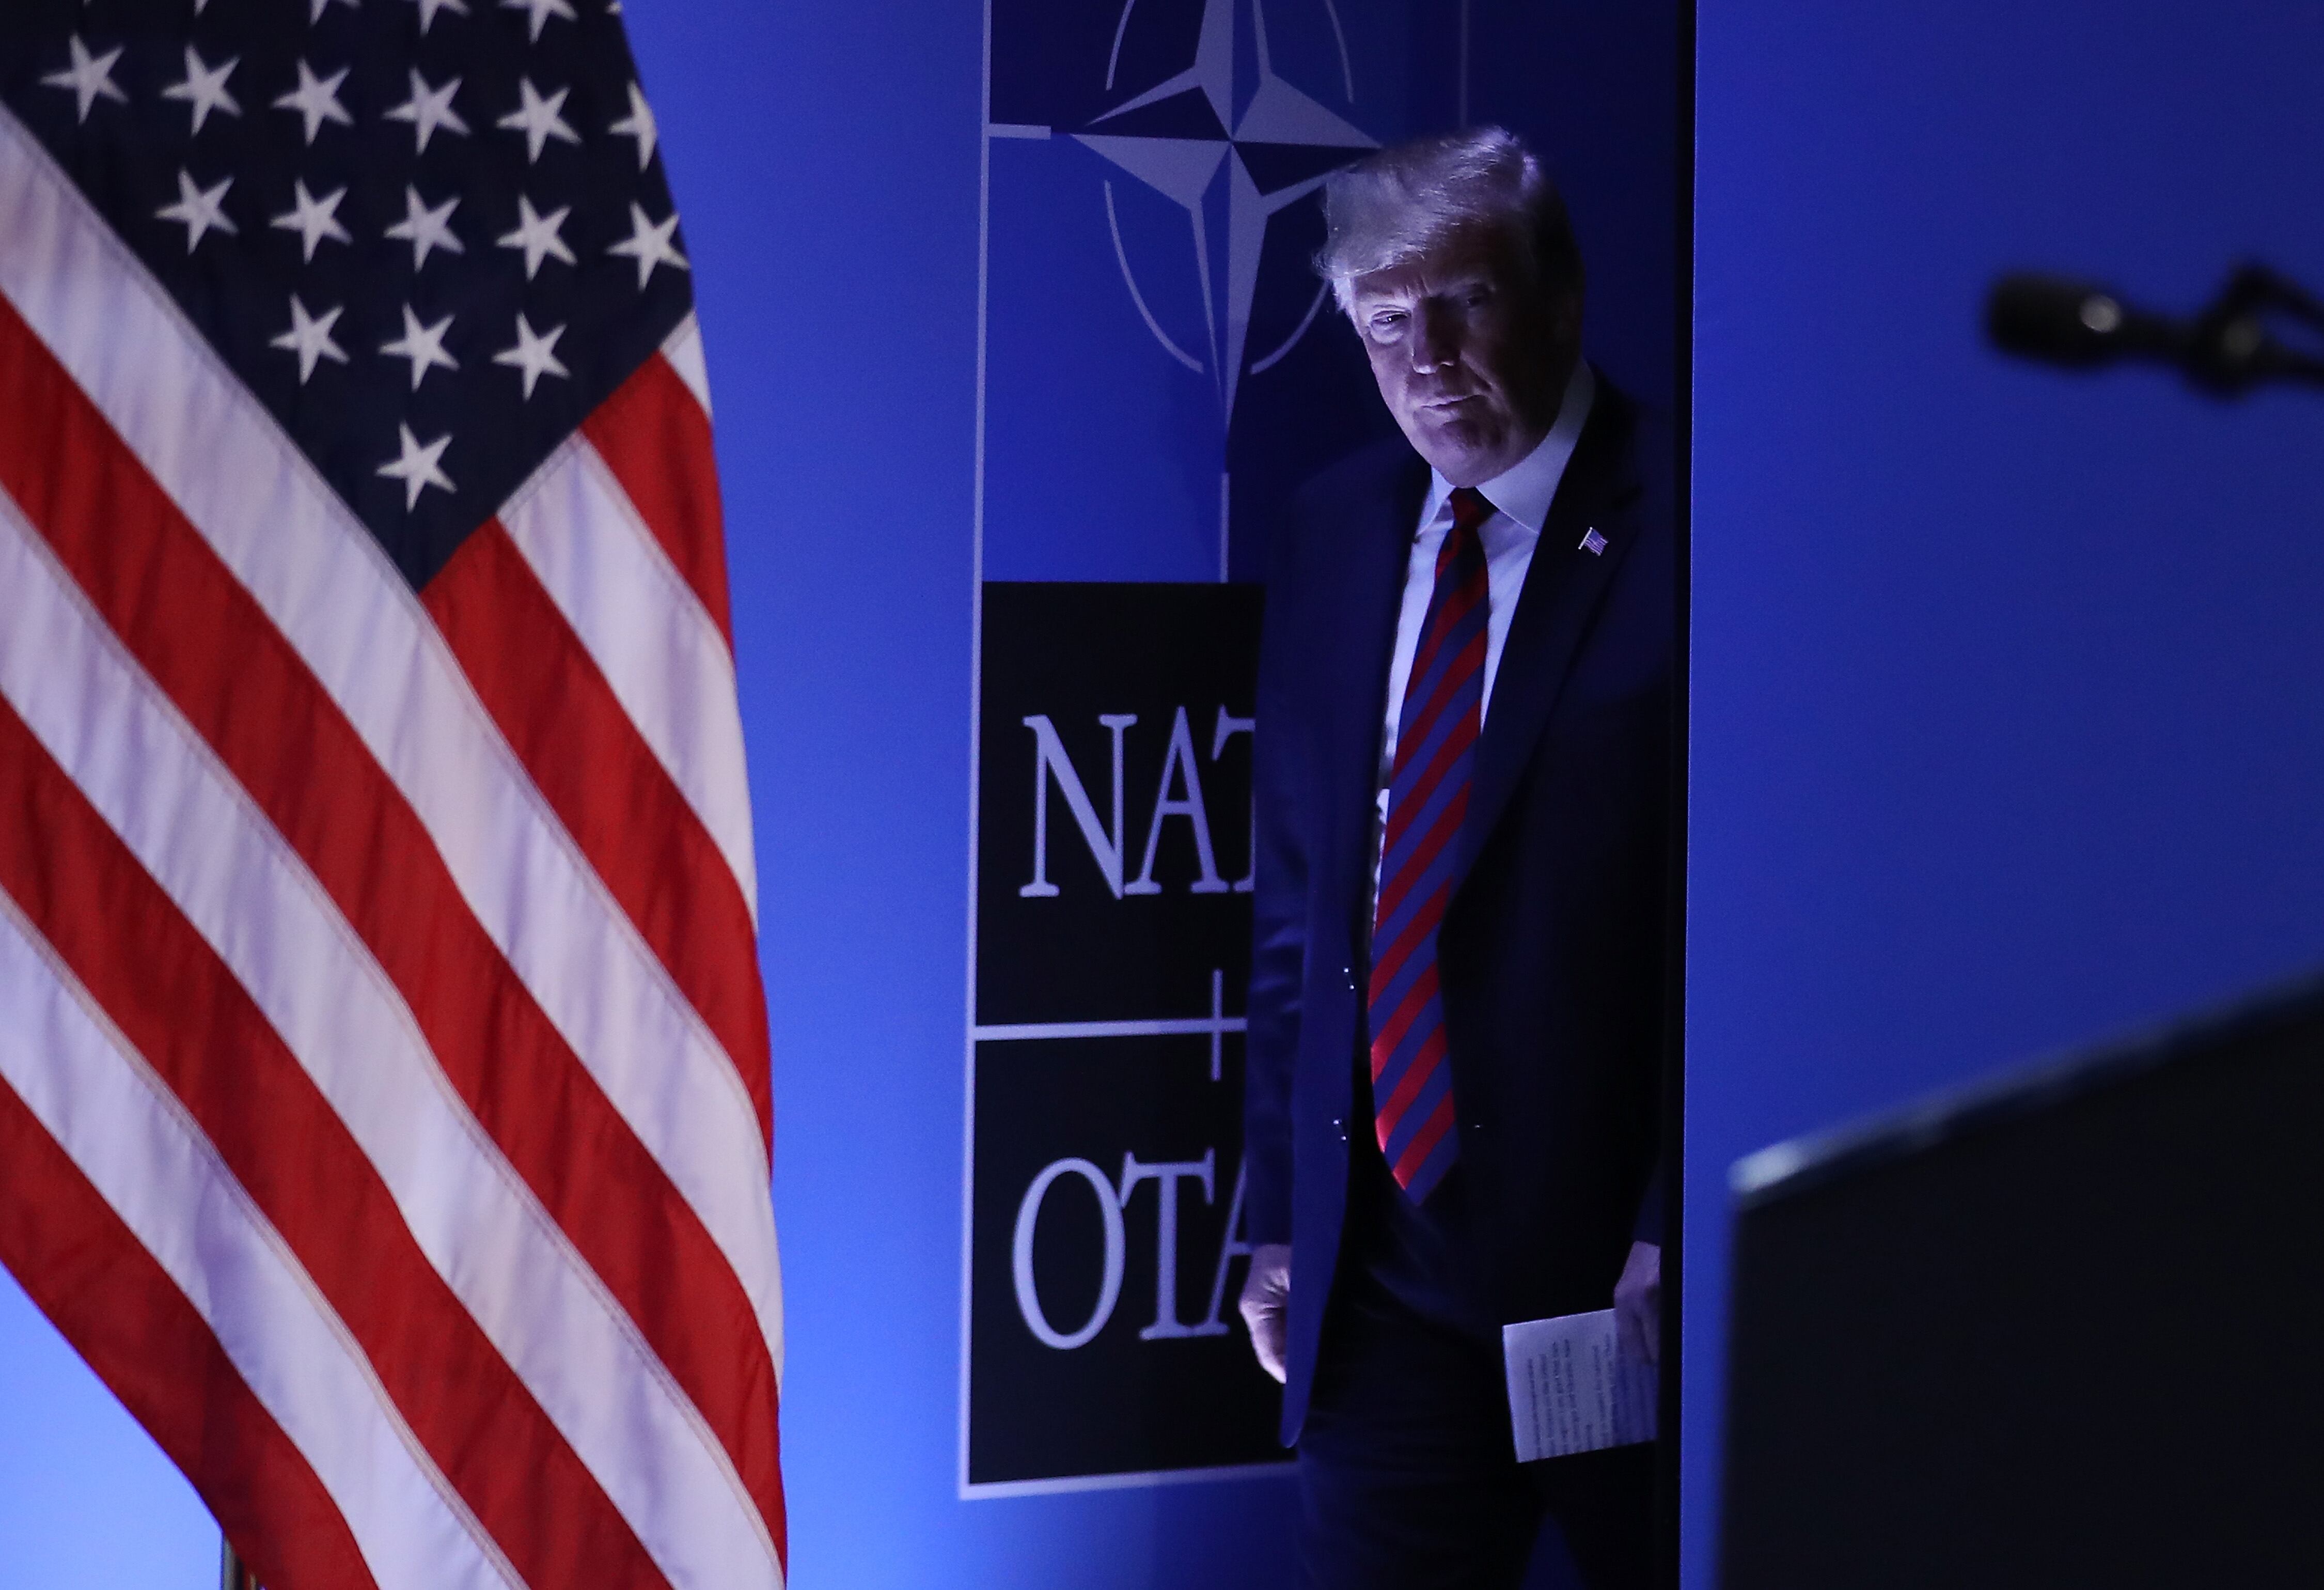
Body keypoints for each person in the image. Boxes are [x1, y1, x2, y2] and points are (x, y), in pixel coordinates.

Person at [1235, 127, 1673, 1589]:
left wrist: (1669, 1235)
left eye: (1460, 304)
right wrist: (1281, 1222)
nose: (1422, 357)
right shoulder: (1338, 528)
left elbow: (1749, 931)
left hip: (1616, 1283)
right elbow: (1303, 904)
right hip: (1381, 1280)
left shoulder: (1697, 522)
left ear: (1558, 300)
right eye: (1380, 322)